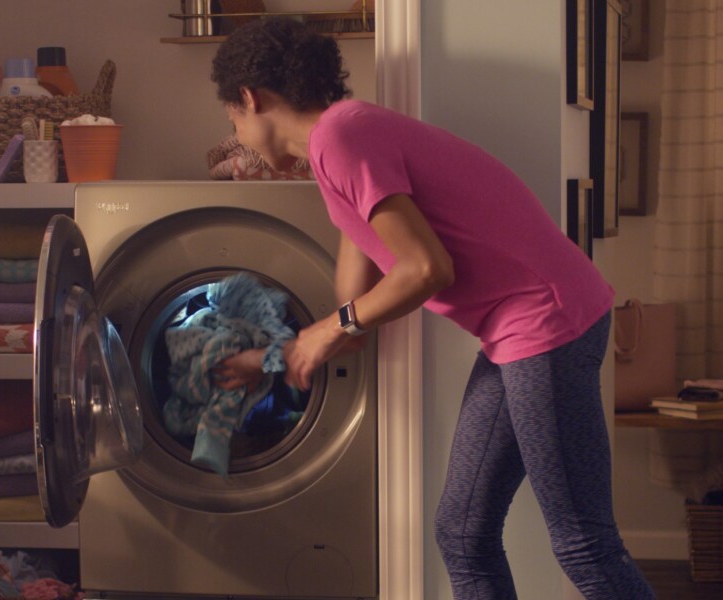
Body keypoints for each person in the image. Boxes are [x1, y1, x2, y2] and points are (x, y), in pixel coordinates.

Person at [210, 16, 656, 600]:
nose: (240, 138)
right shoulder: (337, 148)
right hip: (516, 331)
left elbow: (426, 270)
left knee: (583, 544)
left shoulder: (343, 136)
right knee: (463, 534)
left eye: (234, 123)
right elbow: (353, 312)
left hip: (546, 320)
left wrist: (329, 330)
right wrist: (270, 358)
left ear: (249, 97)